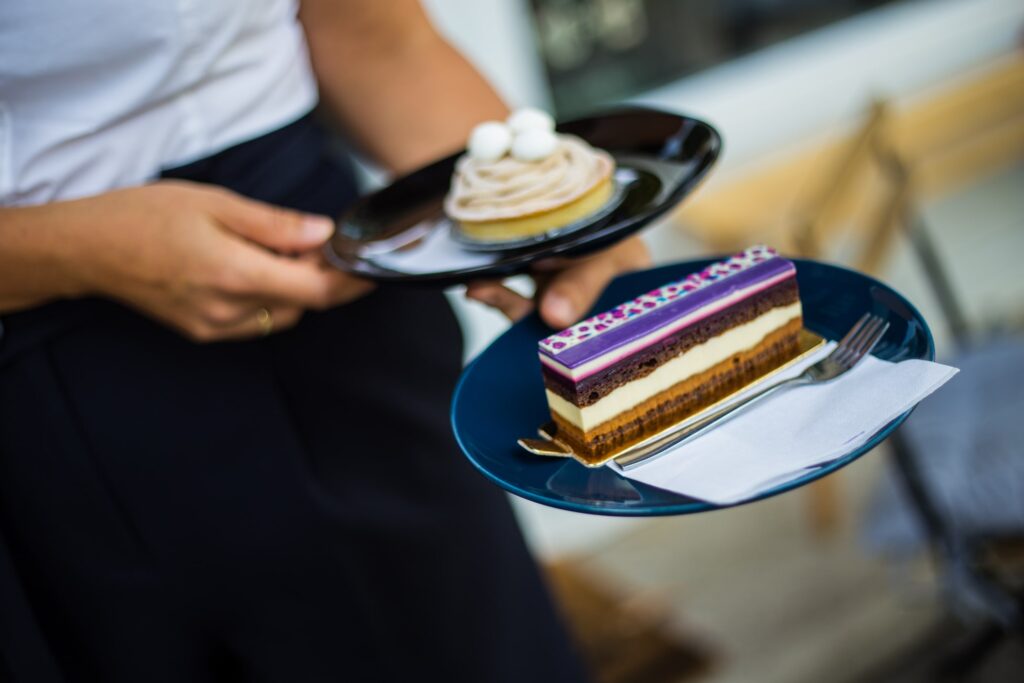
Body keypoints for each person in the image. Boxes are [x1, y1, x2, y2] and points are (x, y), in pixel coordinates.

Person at [0, 1, 648, 681]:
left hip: (330, 314)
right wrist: (72, 253)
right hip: (40, 376)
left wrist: (550, 209)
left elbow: (377, 42)